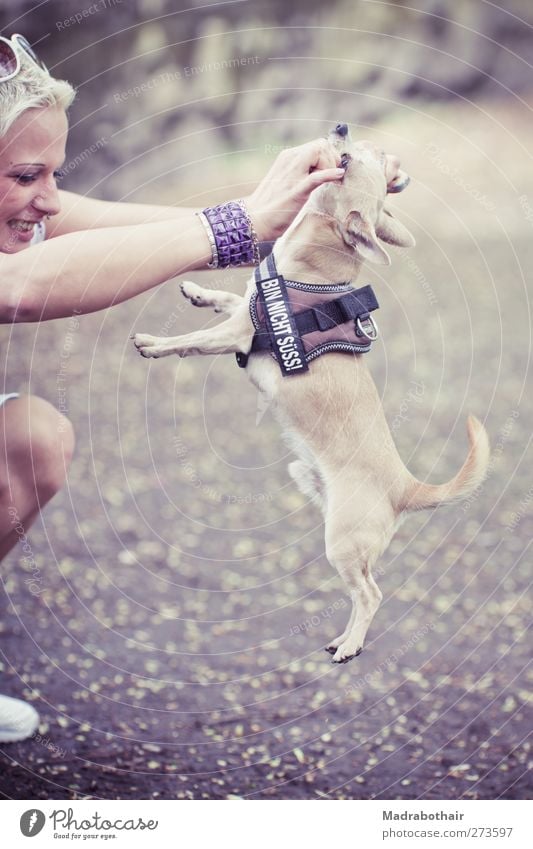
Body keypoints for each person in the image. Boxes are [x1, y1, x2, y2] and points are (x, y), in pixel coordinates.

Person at [0, 33, 344, 741]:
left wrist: (279, 218)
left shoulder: (35, 205)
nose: (48, 200)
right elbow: (22, 287)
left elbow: (147, 230)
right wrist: (237, 226)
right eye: (26, 176)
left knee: (31, 442)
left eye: (52, 174)